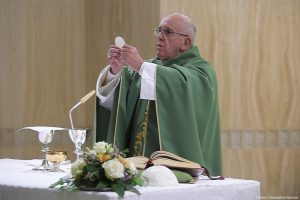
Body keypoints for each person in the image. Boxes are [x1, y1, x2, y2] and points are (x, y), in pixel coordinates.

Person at [94, 13, 222, 176]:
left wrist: (140, 66)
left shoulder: (202, 71)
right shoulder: (150, 67)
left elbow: (180, 82)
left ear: (186, 42)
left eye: (167, 32)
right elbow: (118, 98)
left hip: (179, 171)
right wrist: (115, 70)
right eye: (159, 31)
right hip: (138, 168)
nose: (160, 37)